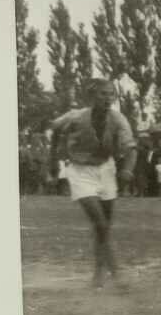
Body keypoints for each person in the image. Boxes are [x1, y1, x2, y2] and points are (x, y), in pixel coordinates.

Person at [47, 78, 137, 288]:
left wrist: (127, 169)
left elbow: (131, 148)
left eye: (111, 94)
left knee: (103, 227)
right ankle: (115, 273)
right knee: (100, 223)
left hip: (106, 169)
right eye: (103, 94)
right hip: (80, 171)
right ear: (91, 96)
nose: (108, 98)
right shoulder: (75, 116)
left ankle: (99, 273)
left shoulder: (118, 119)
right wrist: (52, 161)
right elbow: (55, 128)